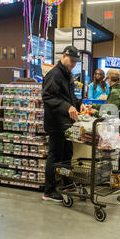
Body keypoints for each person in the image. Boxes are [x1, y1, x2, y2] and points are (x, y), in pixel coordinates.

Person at [42, 46, 86, 202]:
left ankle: (67, 182)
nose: (73, 64)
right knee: (54, 156)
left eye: (75, 62)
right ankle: (49, 191)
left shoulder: (68, 74)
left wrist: (79, 103)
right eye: (72, 61)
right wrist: (68, 107)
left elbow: (69, 96)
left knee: (67, 154)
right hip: (55, 123)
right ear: (64, 55)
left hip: (67, 123)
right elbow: (47, 97)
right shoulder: (54, 74)